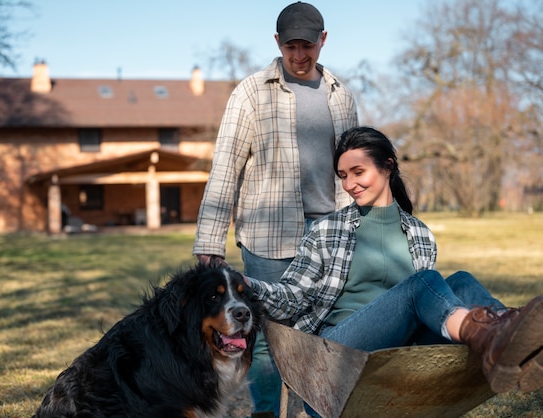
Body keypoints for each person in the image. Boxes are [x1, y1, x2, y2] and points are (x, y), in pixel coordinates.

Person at [245, 126, 543, 416]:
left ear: (387, 167)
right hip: (339, 355)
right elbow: (291, 297)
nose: (349, 184)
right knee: (422, 284)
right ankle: (497, 341)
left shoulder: (420, 235)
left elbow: (432, 309)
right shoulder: (327, 230)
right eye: (343, 176)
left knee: (462, 282)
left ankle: (515, 341)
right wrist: (245, 285)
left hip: (400, 356)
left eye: (358, 172)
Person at [193, 2, 358, 416]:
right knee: (268, 336)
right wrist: (210, 239)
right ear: (277, 43)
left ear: (323, 41)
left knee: (325, 331)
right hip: (269, 237)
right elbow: (226, 164)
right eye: (291, 47)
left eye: (307, 46)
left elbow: (354, 167)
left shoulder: (340, 95)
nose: (299, 56)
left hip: (329, 233)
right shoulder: (251, 92)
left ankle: (316, 410)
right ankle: (269, 412)